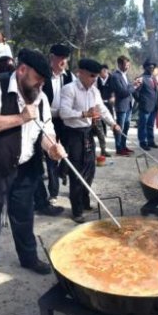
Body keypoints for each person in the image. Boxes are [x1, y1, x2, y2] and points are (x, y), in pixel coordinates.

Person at [0, 48, 66, 284]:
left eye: (44, 81)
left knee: (24, 215)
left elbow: (46, 132)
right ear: (22, 70)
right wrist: (20, 118)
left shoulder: (41, 97)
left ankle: (28, 258)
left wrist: (53, 149)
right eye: (38, 78)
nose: (40, 85)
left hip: (26, 166)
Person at [60, 58, 121, 223]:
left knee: (89, 170)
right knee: (77, 173)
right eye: (92, 76)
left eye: (96, 76)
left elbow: (102, 110)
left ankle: (85, 202)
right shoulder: (69, 89)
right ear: (81, 73)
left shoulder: (95, 91)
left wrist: (114, 124)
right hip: (73, 135)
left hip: (87, 133)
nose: (94, 79)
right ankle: (77, 210)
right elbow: (64, 112)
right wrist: (83, 114)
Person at [41, 43, 75, 202]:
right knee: (51, 155)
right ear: (52, 58)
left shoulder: (70, 77)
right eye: (61, 59)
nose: (64, 62)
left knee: (68, 151)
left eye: (66, 59)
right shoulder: (43, 76)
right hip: (49, 121)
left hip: (66, 121)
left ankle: (63, 171)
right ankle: (53, 192)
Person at [110, 55, 140, 156]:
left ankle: (123, 146)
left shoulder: (124, 75)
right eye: (125, 65)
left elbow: (128, 88)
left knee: (126, 128)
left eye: (128, 65)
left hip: (128, 106)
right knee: (120, 128)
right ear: (119, 64)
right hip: (121, 106)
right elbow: (122, 92)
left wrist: (133, 85)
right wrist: (134, 86)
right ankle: (118, 148)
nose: (127, 67)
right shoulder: (115, 76)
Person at [133, 58, 158, 150]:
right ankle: (143, 142)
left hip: (154, 106)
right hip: (145, 106)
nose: (151, 69)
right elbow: (135, 91)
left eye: (153, 67)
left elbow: (155, 92)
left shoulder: (153, 78)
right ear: (145, 68)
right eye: (149, 67)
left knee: (150, 125)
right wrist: (141, 100)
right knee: (142, 125)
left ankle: (151, 141)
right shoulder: (141, 78)